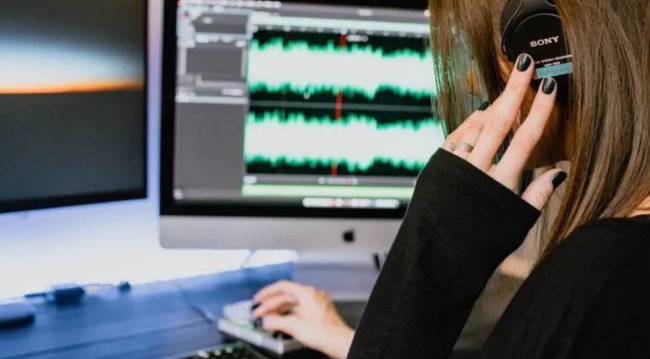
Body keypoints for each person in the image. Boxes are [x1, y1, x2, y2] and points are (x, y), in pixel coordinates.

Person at [340, 0, 650, 358]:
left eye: (481, 52)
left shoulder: (601, 270)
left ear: (550, 46)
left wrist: (433, 254)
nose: (473, 81)